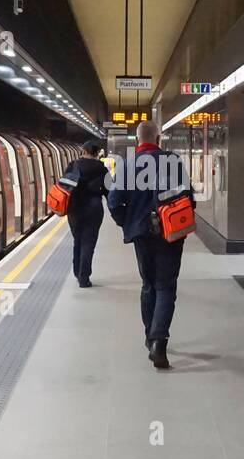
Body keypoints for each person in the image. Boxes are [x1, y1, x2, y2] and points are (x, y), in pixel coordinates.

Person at [107, 120, 190, 370]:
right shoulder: (173, 161)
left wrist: (128, 223)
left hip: (141, 234)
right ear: (158, 138)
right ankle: (159, 343)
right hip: (171, 233)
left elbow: (113, 202)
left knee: (148, 284)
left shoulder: (128, 165)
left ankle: (149, 335)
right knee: (166, 287)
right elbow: (188, 197)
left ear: (137, 140)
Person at [67, 141, 108, 288]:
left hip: (74, 209)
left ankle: (77, 272)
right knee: (88, 243)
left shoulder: (73, 165)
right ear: (97, 153)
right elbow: (109, 191)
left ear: (83, 151)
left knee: (77, 240)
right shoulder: (102, 168)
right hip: (94, 208)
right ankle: (84, 277)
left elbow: (65, 185)